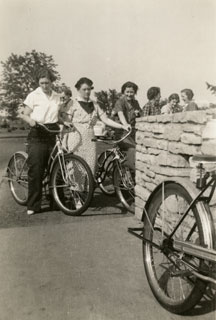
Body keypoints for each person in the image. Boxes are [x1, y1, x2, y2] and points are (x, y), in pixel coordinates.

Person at [63, 77, 129, 174]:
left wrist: (122, 126)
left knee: (90, 168)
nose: (87, 92)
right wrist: (64, 139)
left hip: (90, 140)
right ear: (78, 90)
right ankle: (77, 189)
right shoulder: (72, 103)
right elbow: (66, 123)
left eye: (89, 89)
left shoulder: (95, 104)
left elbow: (105, 120)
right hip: (75, 139)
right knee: (76, 169)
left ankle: (87, 189)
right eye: (84, 89)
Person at [22, 68, 61, 215]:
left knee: (56, 169)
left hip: (52, 132)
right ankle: (33, 205)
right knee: (37, 170)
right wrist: (31, 121)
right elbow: (24, 114)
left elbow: (57, 115)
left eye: (47, 83)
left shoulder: (57, 96)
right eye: (42, 83)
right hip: (37, 132)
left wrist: (66, 122)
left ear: (52, 82)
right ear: (39, 82)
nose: (44, 86)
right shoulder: (33, 95)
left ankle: (56, 201)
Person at [113, 81, 142, 169]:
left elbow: (141, 115)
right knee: (133, 149)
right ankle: (129, 168)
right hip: (121, 133)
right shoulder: (120, 102)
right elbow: (120, 114)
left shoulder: (135, 103)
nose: (129, 94)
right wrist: (125, 124)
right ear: (123, 92)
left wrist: (138, 114)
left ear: (135, 92)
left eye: (131, 92)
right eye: (127, 92)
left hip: (132, 133)